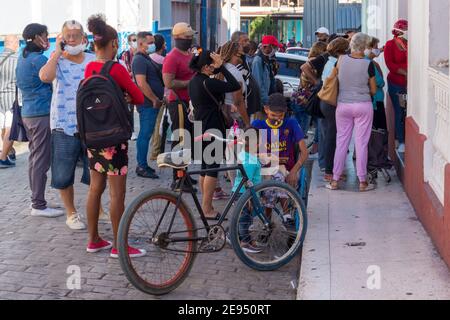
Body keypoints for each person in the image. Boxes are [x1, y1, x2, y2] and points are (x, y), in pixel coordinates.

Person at [84, 14, 145, 258]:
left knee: (94, 189)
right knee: (116, 193)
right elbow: (139, 98)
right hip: (114, 140)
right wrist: (126, 97)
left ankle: (94, 240)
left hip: (93, 137)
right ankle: (120, 246)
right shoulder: (116, 68)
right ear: (113, 44)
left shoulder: (89, 67)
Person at [39, 20, 96, 230]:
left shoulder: (93, 60)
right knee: (63, 174)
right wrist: (56, 52)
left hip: (92, 126)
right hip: (64, 125)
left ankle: (97, 209)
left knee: (96, 172)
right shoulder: (56, 61)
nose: (72, 39)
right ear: (62, 39)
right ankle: (71, 213)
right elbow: (45, 77)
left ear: (84, 38)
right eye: (67, 36)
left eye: (76, 35)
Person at [16, 23, 64, 218]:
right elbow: (52, 76)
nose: (47, 39)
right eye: (45, 35)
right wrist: (57, 53)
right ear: (37, 37)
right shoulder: (38, 59)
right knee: (41, 160)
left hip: (29, 113)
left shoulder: (23, 56)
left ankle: (37, 200)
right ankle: (38, 204)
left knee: (35, 158)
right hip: (40, 114)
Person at [188, 50, 241, 220]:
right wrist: (223, 68)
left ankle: (207, 205)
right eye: (212, 65)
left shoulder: (194, 82)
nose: (215, 68)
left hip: (199, 126)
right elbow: (235, 85)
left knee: (205, 168)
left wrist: (217, 67)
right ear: (205, 67)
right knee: (212, 169)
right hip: (213, 127)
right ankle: (206, 209)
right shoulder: (208, 83)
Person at [326, 33, 378, 192]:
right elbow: (374, 90)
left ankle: (335, 181)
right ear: (365, 46)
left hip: (343, 105)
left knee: (341, 142)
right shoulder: (368, 64)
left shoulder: (341, 60)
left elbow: (332, 77)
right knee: (361, 143)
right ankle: (362, 182)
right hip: (363, 105)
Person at [162, 23, 197, 191]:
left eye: (191, 36)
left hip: (189, 103)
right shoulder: (172, 57)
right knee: (180, 139)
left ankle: (185, 173)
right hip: (178, 103)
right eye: (187, 37)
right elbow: (168, 82)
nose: (190, 39)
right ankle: (178, 178)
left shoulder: (189, 54)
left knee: (188, 140)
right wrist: (190, 84)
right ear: (178, 38)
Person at [253, 93, 309, 189]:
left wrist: (294, 171)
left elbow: (304, 152)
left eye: (281, 115)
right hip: (265, 170)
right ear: (266, 109)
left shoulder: (291, 123)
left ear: (285, 111)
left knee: (282, 179)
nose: (277, 119)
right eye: (273, 115)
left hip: (287, 170)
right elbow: (249, 152)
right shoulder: (257, 125)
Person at [320, 38, 350, 182]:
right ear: (340, 51)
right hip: (331, 103)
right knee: (332, 137)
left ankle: (333, 169)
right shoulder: (336, 63)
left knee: (333, 136)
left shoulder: (331, 62)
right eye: (347, 49)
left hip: (327, 103)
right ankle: (329, 171)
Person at [132, 32, 162, 179]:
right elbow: (141, 83)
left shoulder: (146, 59)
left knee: (147, 134)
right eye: (150, 42)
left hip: (151, 103)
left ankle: (143, 164)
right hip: (147, 104)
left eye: (153, 42)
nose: (153, 44)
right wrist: (154, 99)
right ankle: (141, 166)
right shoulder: (139, 60)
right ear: (141, 44)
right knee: (144, 134)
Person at [385, 19, 408, 153]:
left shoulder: (409, 44)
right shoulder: (390, 45)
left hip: (410, 83)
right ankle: (401, 141)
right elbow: (390, 64)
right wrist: (405, 72)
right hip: (396, 83)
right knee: (400, 111)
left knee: (407, 112)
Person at [0, 35, 20, 168]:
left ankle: (9, 152)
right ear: (15, 43)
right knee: (10, 128)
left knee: (3, 127)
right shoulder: (16, 59)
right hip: (11, 97)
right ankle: (2, 158)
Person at [149, 34, 168, 161]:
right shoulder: (163, 60)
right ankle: (156, 152)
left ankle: (155, 150)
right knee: (159, 125)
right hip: (162, 96)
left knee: (154, 125)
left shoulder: (147, 58)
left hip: (149, 97)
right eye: (165, 43)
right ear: (161, 45)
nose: (166, 46)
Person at [365, 37, 387, 130]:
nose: (377, 49)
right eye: (375, 47)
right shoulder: (368, 62)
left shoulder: (368, 61)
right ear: (368, 48)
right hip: (375, 100)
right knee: (378, 130)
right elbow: (379, 82)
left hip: (374, 99)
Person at [252, 35, 280, 106]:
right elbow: (259, 84)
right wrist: (267, 101)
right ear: (266, 46)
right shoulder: (258, 61)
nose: (275, 49)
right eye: (274, 47)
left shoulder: (267, 60)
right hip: (262, 104)